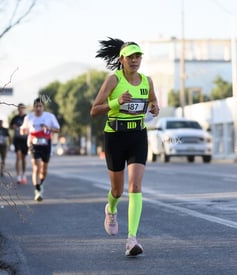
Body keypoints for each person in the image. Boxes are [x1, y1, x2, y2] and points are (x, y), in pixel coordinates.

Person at [90, 38, 160, 256]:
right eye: (131, 57)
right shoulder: (113, 80)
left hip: (138, 135)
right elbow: (94, 110)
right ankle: (110, 209)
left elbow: (153, 103)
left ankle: (132, 239)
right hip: (115, 137)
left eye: (138, 56)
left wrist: (155, 107)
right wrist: (116, 102)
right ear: (122, 60)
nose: (135, 60)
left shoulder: (147, 81)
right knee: (117, 190)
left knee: (136, 186)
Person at [20, 98, 60, 201]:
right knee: (36, 167)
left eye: (40, 106)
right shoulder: (29, 117)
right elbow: (22, 130)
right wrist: (23, 131)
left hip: (46, 144)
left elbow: (57, 129)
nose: (38, 108)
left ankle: (40, 183)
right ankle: (37, 190)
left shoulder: (50, 117)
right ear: (33, 107)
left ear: (43, 107)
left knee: (44, 168)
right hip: (33, 144)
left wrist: (49, 128)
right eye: (36, 106)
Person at [10, 103, 29, 184]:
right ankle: (18, 176)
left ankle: (23, 174)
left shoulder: (27, 117)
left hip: (25, 139)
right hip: (17, 139)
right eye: (19, 108)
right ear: (18, 109)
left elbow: (31, 126)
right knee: (18, 157)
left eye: (22, 108)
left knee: (24, 158)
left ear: (24, 109)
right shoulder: (15, 118)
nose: (21, 109)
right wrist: (13, 126)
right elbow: (10, 126)